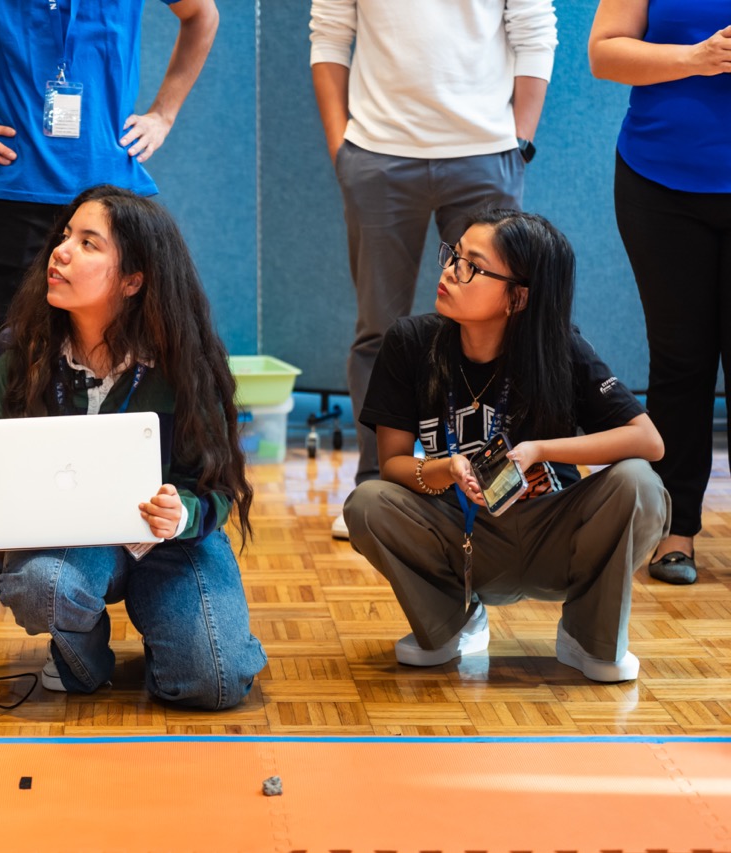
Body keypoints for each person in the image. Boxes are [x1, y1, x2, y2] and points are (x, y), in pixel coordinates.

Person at [0, 0, 219, 622]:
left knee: (148, 366)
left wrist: (165, 112)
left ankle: (139, 530)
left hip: (116, 198)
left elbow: (203, 15)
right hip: (14, 198)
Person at [0, 185, 266, 709]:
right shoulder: (17, 349)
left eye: (89, 243)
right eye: (65, 235)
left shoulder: (185, 358)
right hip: (68, 542)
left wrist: (179, 514)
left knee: (215, 683)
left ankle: (177, 637)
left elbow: (219, 487)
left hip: (169, 543)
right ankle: (82, 655)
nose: (61, 251)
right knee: (40, 585)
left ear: (133, 279)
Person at [343, 210, 669, 683]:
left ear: (517, 297)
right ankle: (452, 621)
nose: (450, 271)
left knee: (639, 482)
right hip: (460, 531)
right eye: (453, 255)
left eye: (471, 266)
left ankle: (588, 635)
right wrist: (444, 468)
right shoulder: (411, 343)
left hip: (553, 532)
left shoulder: (559, 348)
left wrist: (540, 450)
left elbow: (648, 440)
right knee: (367, 503)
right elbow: (392, 464)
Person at [309, 0, 558, 540]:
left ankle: (492, 485)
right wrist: (342, 149)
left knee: (493, 325)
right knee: (379, 330)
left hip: (485, 153)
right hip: (377, 152)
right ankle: (376, 481)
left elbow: (536, 30)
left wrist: (517, 144)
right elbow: (329, 35)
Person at [588, 1, 731, 586]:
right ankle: (676, 530)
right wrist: (697, 58)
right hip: (659, 182)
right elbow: (604, 52)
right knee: (680, 359)